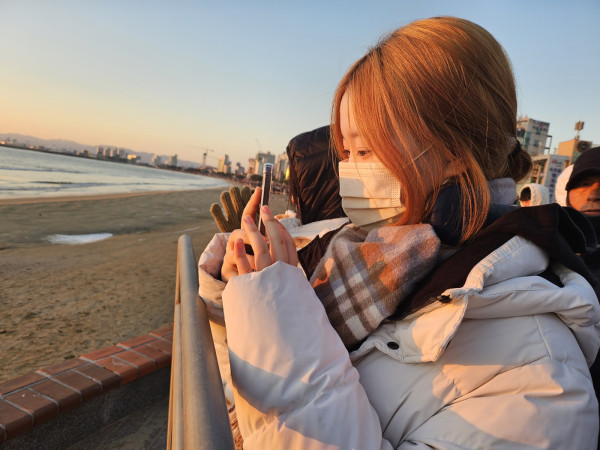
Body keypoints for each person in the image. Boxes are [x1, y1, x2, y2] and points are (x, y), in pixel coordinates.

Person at [199, 17, 600, 448]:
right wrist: (240, 300)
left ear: (453, 152)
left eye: (365, 149)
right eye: (345, 152)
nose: (349, 170)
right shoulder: (353, 251)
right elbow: (242, 413)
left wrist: (279, 331)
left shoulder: (540, 382)